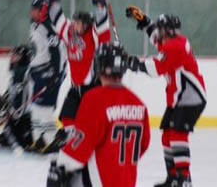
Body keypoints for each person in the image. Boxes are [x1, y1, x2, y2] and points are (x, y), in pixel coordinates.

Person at [46, 42, 150, 187]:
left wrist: (60, 165)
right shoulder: (139, 104)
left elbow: (80, 146)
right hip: (127, 181)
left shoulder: (95, 98)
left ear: (99, 65)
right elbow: (143, 144)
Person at [125, 6, 206, 187]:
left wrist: (131, 63)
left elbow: (155, 69)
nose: (158, 31)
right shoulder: (170, 40)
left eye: (161, 28)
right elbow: (155, 36)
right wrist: (142, 19)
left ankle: (184, 179)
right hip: (179, 98)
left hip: (190, 97)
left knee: (177, 134)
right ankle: (173, 178)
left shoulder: (175, 46)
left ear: (167, 30)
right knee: (167, 135)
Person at [43, 0, 110, 151]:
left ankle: (93, 143)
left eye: (78, 23)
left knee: (90, 122)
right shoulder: (69, 32)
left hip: (91, 88)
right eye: (74, 21)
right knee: (66, 115)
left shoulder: (94, 35)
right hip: (76, 87)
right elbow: (57, 17)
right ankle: (72, 141)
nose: (74, 24)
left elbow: (102, 22)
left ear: (86, 24)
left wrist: (100, 3)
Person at [28, 0, 67, 151]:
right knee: (36, 107)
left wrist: (55, 75)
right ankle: (39, 139)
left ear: (42, 10)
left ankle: (51, 141)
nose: (31, 12)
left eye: (35, 9)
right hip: (38, 72)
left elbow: (57, 52)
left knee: (46, 108)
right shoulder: (35, 25)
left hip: (49, 72)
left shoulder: (49, 28)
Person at [0, 45, 34, 150]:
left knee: (22, 142)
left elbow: (23, 98)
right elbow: (13, 93)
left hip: (27, 117)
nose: (12, 58)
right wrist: (6, 101)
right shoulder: (15, 73)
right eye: (12, 56)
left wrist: (13, 111)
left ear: (23, 57)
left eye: (16, 56)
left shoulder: (26, 73)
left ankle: (27, 134)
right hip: (17, 115)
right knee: (4, 140)